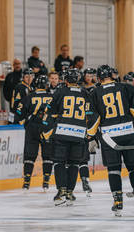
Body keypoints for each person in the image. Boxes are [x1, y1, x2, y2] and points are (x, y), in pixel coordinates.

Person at [90, 65, 134, 216]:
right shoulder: (127, 88)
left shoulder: (95, 92)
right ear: (113, 75)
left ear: (98, 78)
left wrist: (90, 136)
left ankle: (118, 202)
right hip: (129, 134)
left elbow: (95, 118)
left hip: (109, 137)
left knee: (114, 169)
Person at [42, 68, 98, 206]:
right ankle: (69, 192)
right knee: (74, 163)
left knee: (59, 163)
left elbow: (49, 113)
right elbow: (92, 115)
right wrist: (90, 134)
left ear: (65, 80)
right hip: (79, 135)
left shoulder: (60, 92)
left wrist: (46, 132)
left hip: (62, 133)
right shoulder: (85, 93)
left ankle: (61, 191)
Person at [14, 75, 53, 192]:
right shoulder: (52, 97)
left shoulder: (29, 96)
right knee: (48, 156)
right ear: (46, 85)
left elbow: (19, 111)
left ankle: (26, 182)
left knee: (30, 156)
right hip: (47, 128)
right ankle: (46, 182)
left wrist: (24, 122)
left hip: (32, 128)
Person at [78, 67, 98, 194]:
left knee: (81, 157)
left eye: (92, 75)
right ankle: (83, 180)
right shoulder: (83, 90)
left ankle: (83, 181)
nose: (89, 77)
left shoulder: (94, 90)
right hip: (83, 126)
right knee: (81, 157)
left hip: (82, 126)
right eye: (87, 74)